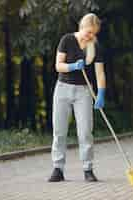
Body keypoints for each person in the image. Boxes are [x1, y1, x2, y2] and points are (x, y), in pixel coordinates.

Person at [48, 13, 106, 182]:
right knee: (59, 131)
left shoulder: (95, 47)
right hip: (63, 89)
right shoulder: (67, 40)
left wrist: (101, 94)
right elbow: (58, 66)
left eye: (94, 33)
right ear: (82, 27)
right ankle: (58, 168)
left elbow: (100, 73)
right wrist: (72, 66)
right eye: (89, 32)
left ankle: (88, 169)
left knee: (86, 132)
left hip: (84, 92)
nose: (91, 36)